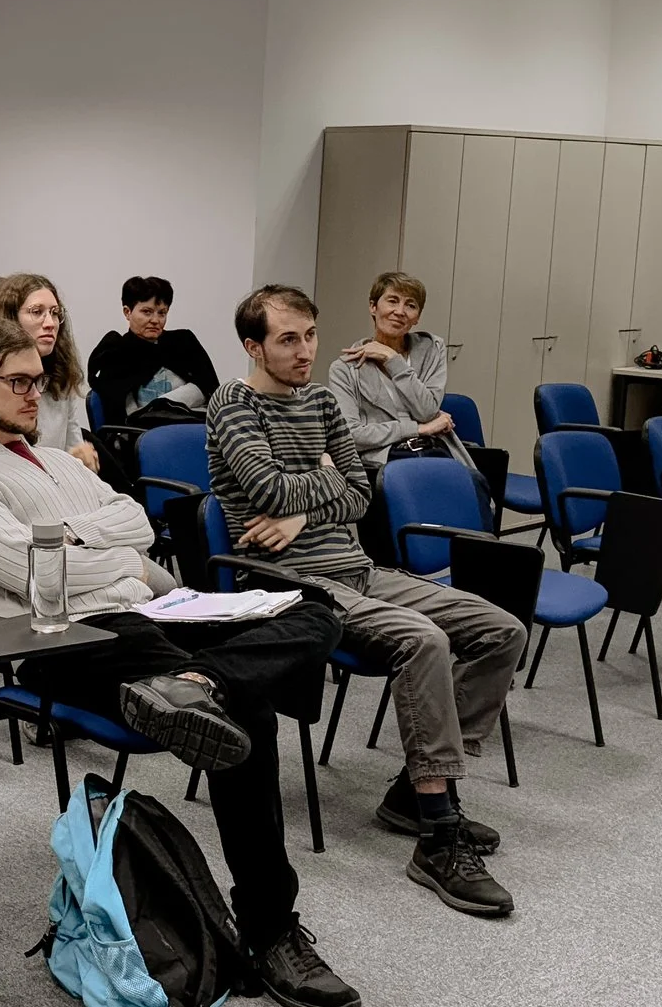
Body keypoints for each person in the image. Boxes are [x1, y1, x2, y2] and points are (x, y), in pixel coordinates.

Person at [0, 317, 360, 1007]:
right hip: (65, 637)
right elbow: (32, 575)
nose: (37, 393)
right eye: (19, 382)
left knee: (314, 608)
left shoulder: (61, 462)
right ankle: (272, 931)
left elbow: (139, 518)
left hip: (149, 614)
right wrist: (110, 551)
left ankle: (201, 680)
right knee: (247, 712)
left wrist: (104, 550)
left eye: (40, 380)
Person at [207, 287, 528, 920]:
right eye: (288, 340)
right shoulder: (233, 403)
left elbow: (361, 494)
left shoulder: (324, 399)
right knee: (424, 640)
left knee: (502, 629)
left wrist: (298, 511)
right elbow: (269, 486)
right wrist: (323, 479)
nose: (306, 352)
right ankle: (438, 832)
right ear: (253, 346)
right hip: (285, 584)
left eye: (311, 336)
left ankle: (413, 790)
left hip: (356, 568)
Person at [328, 272, 467, 484]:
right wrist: (419, 428)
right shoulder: (344, 369)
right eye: (392, 301)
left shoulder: (431, 349)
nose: (400, 311)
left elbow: (427, 409)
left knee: (473, 487)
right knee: (423, 489)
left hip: (435, 451)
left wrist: (392, 359)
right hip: (386, 461)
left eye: (410, 305)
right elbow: (351, 435)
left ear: (417, 317)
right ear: (373, 307)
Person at [0, 271, 99, 469]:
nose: (50, 323)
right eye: (36, 312)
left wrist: (81, 459)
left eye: (55, 313)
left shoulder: (60, 376)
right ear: (10, 319)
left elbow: (74, 446)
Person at [86, 276, 221, 426]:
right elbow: (119, 417)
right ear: (127, 312)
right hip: (143, 437)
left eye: (162, 313)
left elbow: (212, 393)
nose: (155, 320)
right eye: (147, 312)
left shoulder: (183, 343)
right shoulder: (116, 353)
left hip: (193, 429)